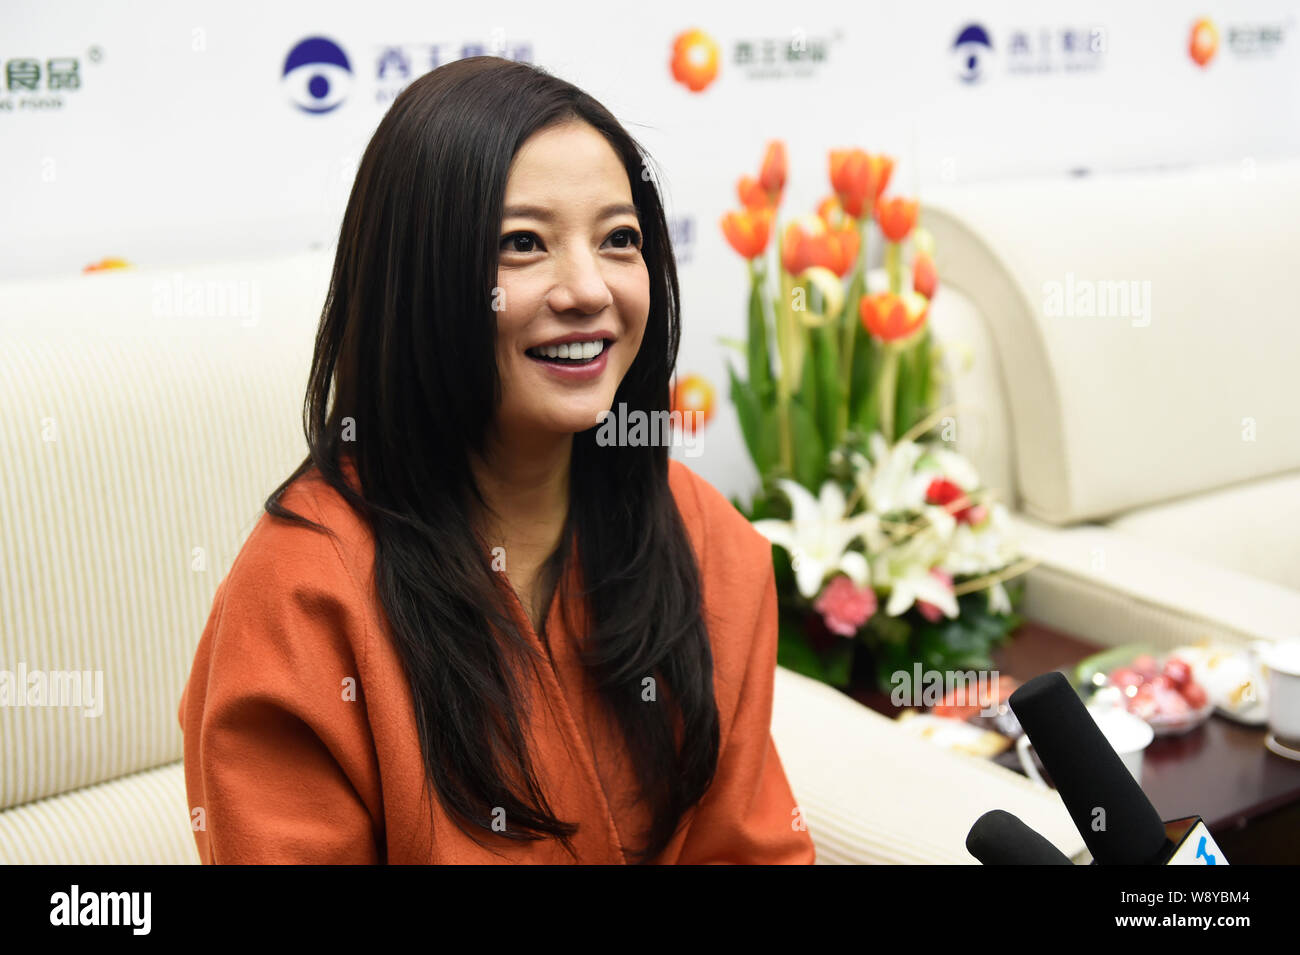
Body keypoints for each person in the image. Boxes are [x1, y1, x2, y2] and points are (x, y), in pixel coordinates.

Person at [178, 55, 814, 864]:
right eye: (522, 243)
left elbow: (751, 851)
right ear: (418, 278)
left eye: (620, 239)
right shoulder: (302, 596)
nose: (587, 287)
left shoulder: (702, 537)